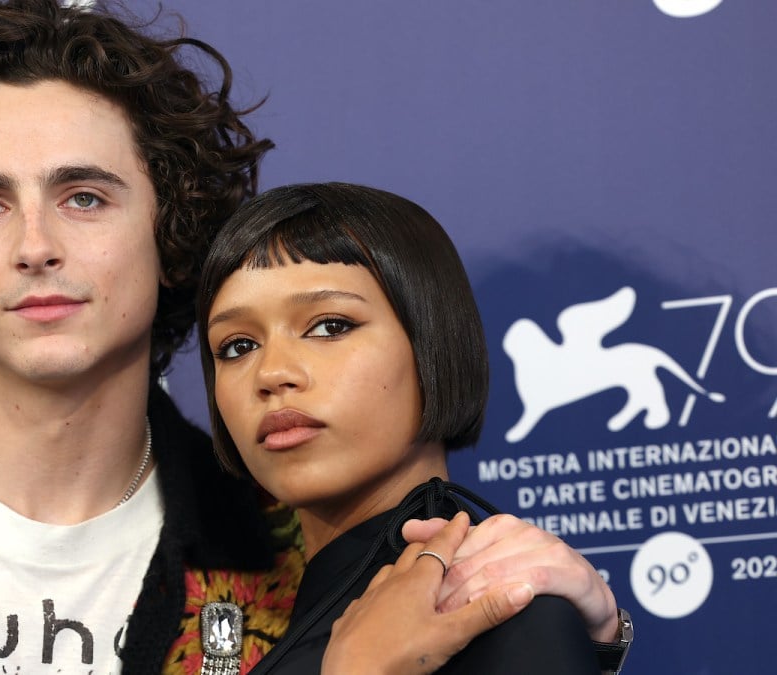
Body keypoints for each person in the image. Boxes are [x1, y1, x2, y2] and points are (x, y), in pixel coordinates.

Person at [0, 2, 626, 673]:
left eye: (83, 195)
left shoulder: (317, 550)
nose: (35, 246)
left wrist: (558, 632)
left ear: (172, 238)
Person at [197, 182, 617, 674]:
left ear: (433, 343)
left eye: (330, 326)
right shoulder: (238, 600)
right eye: (237, 346)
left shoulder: (494, 602)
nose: (271, 373)